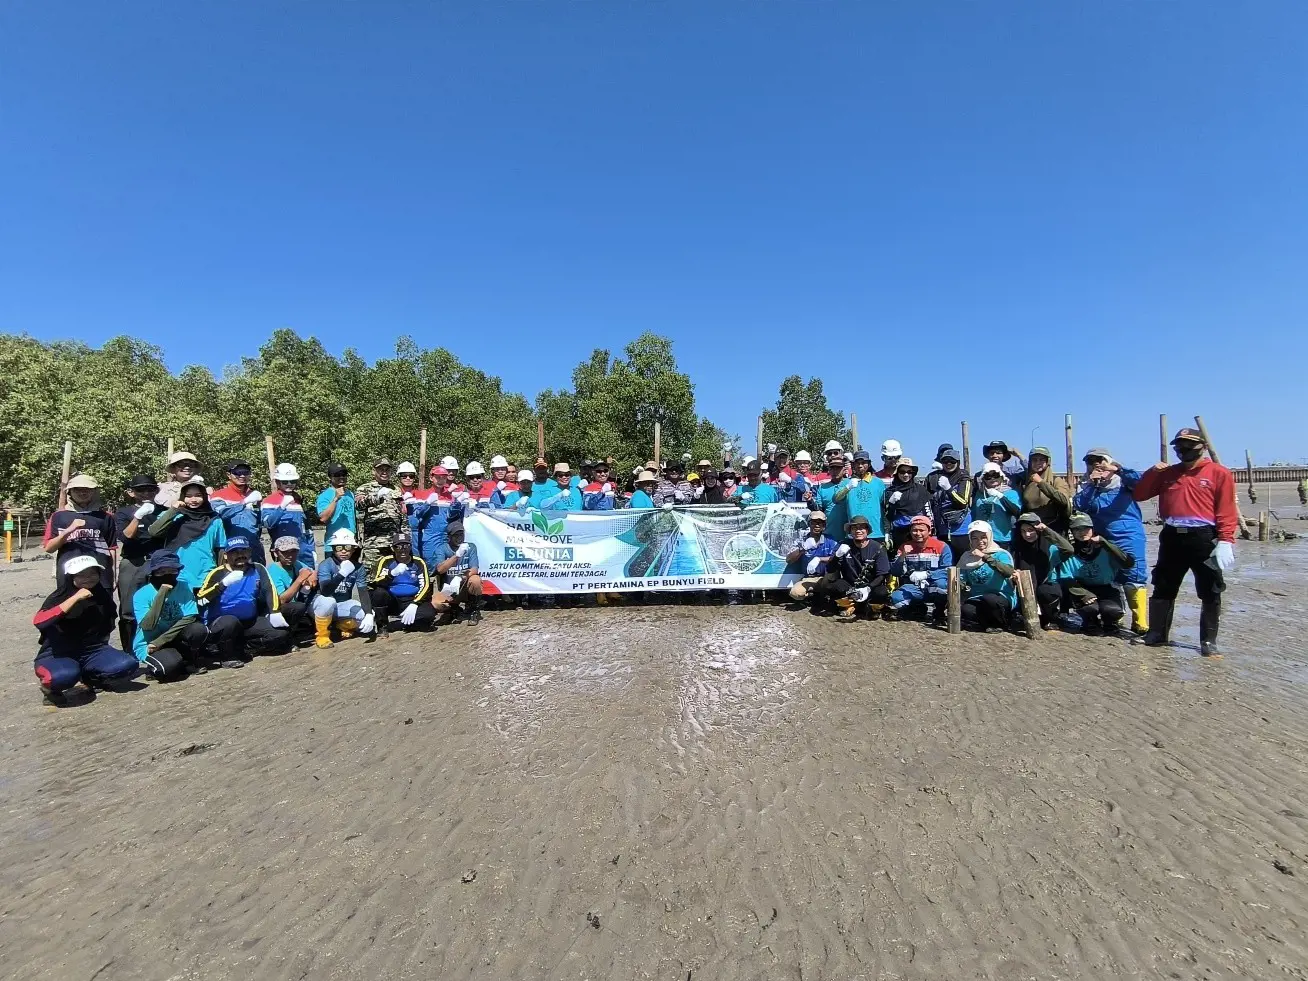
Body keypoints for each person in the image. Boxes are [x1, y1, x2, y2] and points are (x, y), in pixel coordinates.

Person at [1132, 427, 1238, 657]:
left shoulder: (1219, 473)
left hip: (1204, 537)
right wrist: (1152, 472)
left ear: (1203, 447)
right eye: (1179, 446)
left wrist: (1225, 540)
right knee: (1163, 585)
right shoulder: (1168, 473)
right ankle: (1157, 634)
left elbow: (1227, 509)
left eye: (1190, 446)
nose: (1184, 450)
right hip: (1172, 537)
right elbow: (1139, 494)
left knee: (1210, 588)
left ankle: (1208, 642)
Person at [33, 555, 140, 703]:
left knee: (128, 664)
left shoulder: (101, 595)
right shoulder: (59, 597)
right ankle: (50, 690)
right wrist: (75, 598)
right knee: (63, 676)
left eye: (92, 573)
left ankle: (91, 678)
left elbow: (109, 622)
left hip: (93, 650)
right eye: (81, 575)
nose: (88, 578)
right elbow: (39, 621)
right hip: (57, 653)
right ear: (70, 577)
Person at [1074, 447, 1150, 635]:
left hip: (1128, 536)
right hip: (1101, 537)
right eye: (1090, 462)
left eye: (1100, 461)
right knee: (1110, 576)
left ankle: (1139, 620)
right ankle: (1115, 614)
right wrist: (1092, 485)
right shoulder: (1087, 487)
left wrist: (1119, 470)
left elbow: (1142, 483)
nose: (1096, 465)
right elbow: (1080, 506)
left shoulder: (1124, 482)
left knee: (1133, 574)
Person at [197, 537, 292, 663]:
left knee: (280, 634)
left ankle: (245, 648)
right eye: (235, 552)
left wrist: (275, 611)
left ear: (250, 552)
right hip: (222, 622)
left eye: (244, 551)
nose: (240, 555)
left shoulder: (257, 568)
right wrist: (222, 585)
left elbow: (269, 590)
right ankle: (227, 657)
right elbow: (201, 599)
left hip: (249, 621)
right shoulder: (217, 573)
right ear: (226, 555)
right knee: (230, 622)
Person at [1052, 514, 1135, 636]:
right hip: (1082, 588)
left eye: (1086, 528)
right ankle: (1090, 622)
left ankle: (1110, 623)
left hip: (1107, 588)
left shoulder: (1106, 548)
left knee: (1112, 611)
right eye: (1077, 529)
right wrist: (1082, 593)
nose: (1082, 532)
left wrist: (1105, 543)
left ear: (1092, 529)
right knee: (1090, 609)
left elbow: (1128, 563)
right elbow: (1065, 578)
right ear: (1072, 532)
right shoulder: (1069, 552)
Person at [131, 550, 208, 679]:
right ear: (153, 572)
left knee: (198, 629)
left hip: (170, 638)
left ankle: (187, 660)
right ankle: (157, 666)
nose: (167, 575)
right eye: (161, 572)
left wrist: (161, 641)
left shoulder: (184, 587)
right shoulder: (141, 594)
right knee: (169, 669)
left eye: (172, 571)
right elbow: (147, 625)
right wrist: (162, 593)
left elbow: (189, 617)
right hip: (149, 643)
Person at [148, 476, 226, 591]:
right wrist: (173, 510)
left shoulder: (214, 520)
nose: (193, 500)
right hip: (177, 574)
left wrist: (221, 574)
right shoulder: (174, 516)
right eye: (188, 496)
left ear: (204, 496)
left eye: (198, 495)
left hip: (206, 574)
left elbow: (220, 550)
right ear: (182, 497)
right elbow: (154, 531)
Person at [43, 473, 116, 590]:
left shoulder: (106, 517)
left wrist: (112, 575)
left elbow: (111, 548)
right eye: (77, 490)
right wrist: (69, 530)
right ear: (69, 492)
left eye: (87, 489)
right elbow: (49, 548)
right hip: (69, 574)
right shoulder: (58, 516)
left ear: (94, 492)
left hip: (100, 574)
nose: (83, 493)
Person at [812, 515, 891, 622]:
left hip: (870, 586)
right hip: (850, 586)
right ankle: (849, 606)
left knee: (882, 592)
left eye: (862, 528)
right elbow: (831, 569)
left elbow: (882, 575)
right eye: (854, 528)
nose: (858, 531)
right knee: (833, 586)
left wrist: (868, 588)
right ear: (850, 531)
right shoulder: (843, 545)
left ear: (867, 530)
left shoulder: (878, 547)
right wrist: (837, 556)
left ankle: (873, 609)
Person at [115, 473, 162, 650]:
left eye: (150, 489)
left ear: (157, 491)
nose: (146, 493)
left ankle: (154, 646)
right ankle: (129, 651)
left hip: (157, 562)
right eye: (141, 490)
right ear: (131, 492)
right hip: (133, 561)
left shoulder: (163, 510)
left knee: (158, 604)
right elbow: (126, 536)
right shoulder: (124, 512)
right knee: (128, 609)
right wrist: (138, 516)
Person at [311, 529, 376, 647]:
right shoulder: (326, 564)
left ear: (353, 549)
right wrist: (342, 574)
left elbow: (363, 591)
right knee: (328, 601)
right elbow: (325, 591)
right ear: (333, 548)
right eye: (339, 547)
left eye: (348, 547)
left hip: (341, 605)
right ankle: (322, 635)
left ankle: (340, 625)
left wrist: (369, 614)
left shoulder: (358, 567)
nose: (344, 551)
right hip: (321, 606)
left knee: (365, 614)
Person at [1010, 513, 1074, 629]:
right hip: (1023, 586)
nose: (1027, 534)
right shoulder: (1016, 548)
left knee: (1046, 592)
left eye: (1030, 530)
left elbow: (1069, 549)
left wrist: (1046, 530)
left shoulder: (1050, 547)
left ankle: (1051, 619)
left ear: (1038, 529)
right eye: (1023, 531)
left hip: (1046, 584)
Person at [887, 515, 953, 621]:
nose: (918, 533)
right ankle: (919, 608)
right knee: (896, 598)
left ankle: (939, 611)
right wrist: (902, 556)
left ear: (929, 531)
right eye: (914, 530)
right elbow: (895, 572)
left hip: (934, 585)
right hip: (914, 587)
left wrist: (927, 574)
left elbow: (948, 571)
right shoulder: (904, 547)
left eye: (921, 530)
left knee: (942, 585)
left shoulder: (942, 546)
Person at [369, 533, 436, 633]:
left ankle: (400, 624)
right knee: (379, 593)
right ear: (393, 548)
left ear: (410, 547)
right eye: (398, 546)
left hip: (411, 598)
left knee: (429, 615)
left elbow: (425, 585)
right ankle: (382, 626)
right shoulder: (386, 561)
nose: (403, 550)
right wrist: (392, 574)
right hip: (393, 600)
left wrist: (415, 603)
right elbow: (377, 582)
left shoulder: (418, 562)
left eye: (406, 546)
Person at [956, 520, 1017, 632]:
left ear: (989, 536)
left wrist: (985, 557)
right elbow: (961, 578)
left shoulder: (1001, 554)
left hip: (1000, 596)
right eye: (975, 538)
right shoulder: (967, 557)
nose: (980, 541)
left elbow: (1008, 572)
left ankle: (1002, 623)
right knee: (966, 610)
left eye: (983, 537)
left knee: (990, 600)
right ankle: (986, 624)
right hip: (978, 597)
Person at [210, 460, 265, 564]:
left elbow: (260, 522)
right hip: (230, 549)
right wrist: (243, 503)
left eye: (246, 472)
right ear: (228, 475)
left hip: (253, 549)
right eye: (237, 472)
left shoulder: (255, 495)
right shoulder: (218, 496)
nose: (242, 476)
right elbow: (221, 514)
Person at [356, 458, 406, 570]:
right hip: (374, 543)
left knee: (393, 574)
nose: (384, 472)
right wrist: (376, 498)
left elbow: (402, 515)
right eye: (381, 469)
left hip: (394, 543)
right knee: (372, 575)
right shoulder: (364, 488)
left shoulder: (396, 489)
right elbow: (359, 504)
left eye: (387, 470)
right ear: (374, 471)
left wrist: (405, 538)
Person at [267, 535, 317, 642]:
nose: (290, 556)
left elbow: (311, 571)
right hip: (276, 609)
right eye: (285, 552)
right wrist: (300, 579)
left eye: (293, 551)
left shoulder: (297, 564)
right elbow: (282, 600)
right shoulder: (273, 570)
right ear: (276, 553)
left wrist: (313, 575)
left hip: (294, 605)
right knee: (297, 607)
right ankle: (290, 636)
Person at [926, 446, 973, 563]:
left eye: (952, 461)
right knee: (946, 562)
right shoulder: (934, 477)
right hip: (942, 528)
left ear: (958, 462)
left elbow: (963, 502)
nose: (948, 464)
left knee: (963, 562)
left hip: (960, 528)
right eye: (945, 461)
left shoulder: (964, 477)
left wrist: (948, 488)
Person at [785, 512, 840, 608]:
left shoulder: (830, 540)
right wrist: (803, 549)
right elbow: (789, 560)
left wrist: (819, 559)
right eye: (813, 522)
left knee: (832, 587)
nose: (817, 525)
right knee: (795, 593)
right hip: (809, 578)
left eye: (820, 523)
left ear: (824, 526)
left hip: (826, 577)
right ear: (809, 524)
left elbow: (836, 557)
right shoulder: (801, 540)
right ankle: (812, 596)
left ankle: (820, 597)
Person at [431, 522, 482, 623]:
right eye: (456, 535)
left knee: (475, 580)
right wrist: (457, 555)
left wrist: (460, 577)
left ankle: (473, 609)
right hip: (448, 589)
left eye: (461, 534)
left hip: (464, 586)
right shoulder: (442, 549)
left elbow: (474, 569)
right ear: (449, 537)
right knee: (435, 603)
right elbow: (440, 569)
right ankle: (453, 610)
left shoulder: (470, 547)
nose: (459, 537)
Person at [1016, 446, 1072, 535]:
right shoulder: (1027, 482)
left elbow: (1064, 500)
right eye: (1034, 460)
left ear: (1047, 462)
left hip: (1053, 529)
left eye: (1041, 460)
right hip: (1032, 530)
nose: (1038, 463)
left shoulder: (1056, 481)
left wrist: (1041, 483)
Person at [885, 457, 933, 550]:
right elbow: (888, 516)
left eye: (909, 472)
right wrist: (892, 504)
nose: (906, 475)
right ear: (897, 473)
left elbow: (928, 510)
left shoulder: (920, 489)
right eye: (902, 472)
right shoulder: (890, 491)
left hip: (919, 530)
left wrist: (931, 528)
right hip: (899, 532)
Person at [970, 463, 1022, 545]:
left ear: (1001, 476)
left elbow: (1017, 512)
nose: (992, 478)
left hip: (1003, 539)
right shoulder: (979, 494)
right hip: (982, 539)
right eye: (988, 476)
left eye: (995, 475)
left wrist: (1000, 496)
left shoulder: (1011, 493)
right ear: (983, 479)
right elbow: (974, 514)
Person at [839, 451, 886, 538]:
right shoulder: (846, 482)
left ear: (869, 464)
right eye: (857, 463)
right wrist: (847, 487)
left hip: (876, 532)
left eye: (863, 463)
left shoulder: (878, 482)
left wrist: (887, 531)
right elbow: (836, 499)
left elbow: (885, 507)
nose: (860, 465)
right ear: (853, 465)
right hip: (854, 533)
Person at [315, 463, 356, 543]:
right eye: (337, 475)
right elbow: (323, 518)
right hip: (333, 542)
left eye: (344, 474)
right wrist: (336, 499)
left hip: (350, 542)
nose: (341, 477)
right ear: (330, 477)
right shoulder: (325, 495)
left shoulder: (351, 494)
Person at [812, 457, 852, 535]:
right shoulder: (823, 487)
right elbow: (818, 509)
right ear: (829, 470)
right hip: (829, 533)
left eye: (838, 468)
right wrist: (810, 500)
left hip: (851, 534)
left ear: (844, 469)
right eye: (832, 468)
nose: (835, 471)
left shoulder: (852, 484)